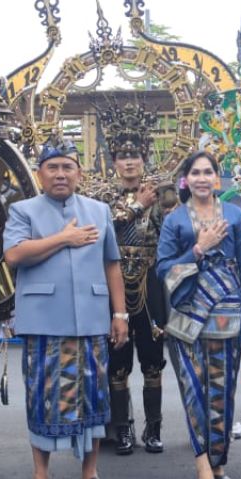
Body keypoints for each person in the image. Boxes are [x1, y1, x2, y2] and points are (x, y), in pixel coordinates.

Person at [4, 140, 129, 479]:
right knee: (40, 396)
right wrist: (64, 238)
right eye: (53, 167)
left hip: (91, 319)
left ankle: (90, 475)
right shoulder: (23, 210)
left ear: (79, 173)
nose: (60, 174)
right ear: (40, 173)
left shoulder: (99, 211)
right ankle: (40, 477)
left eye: (67, 167)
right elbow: (14, 255)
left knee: (94, 396)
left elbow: (112, 264)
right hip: (43, 320)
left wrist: (120, 313)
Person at [157, 151, 241, 479]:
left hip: (227, 316)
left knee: (222, 391)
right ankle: (202, 463)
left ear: (217, 178)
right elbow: (162, 269)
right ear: (186, 179)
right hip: (187, 319)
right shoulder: (175, 220)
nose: (202, 178)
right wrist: (198, 250)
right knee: (195, 391)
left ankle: (219, 460)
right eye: (196, 172)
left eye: (208, 172)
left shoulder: (235, 216)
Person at [90, 102, 169, 454]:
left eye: (135, 155)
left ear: (144, 157)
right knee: (117, 362)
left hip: (150, 283)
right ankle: (122, 429)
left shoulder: (162, 194)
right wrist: (137, 206)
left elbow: (174, 234)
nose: (129, 162)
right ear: (114, 160)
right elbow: (100, 229)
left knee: (153, 360)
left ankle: (154, 428)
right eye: (122, 156)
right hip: (114, 284)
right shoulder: (101, 195)